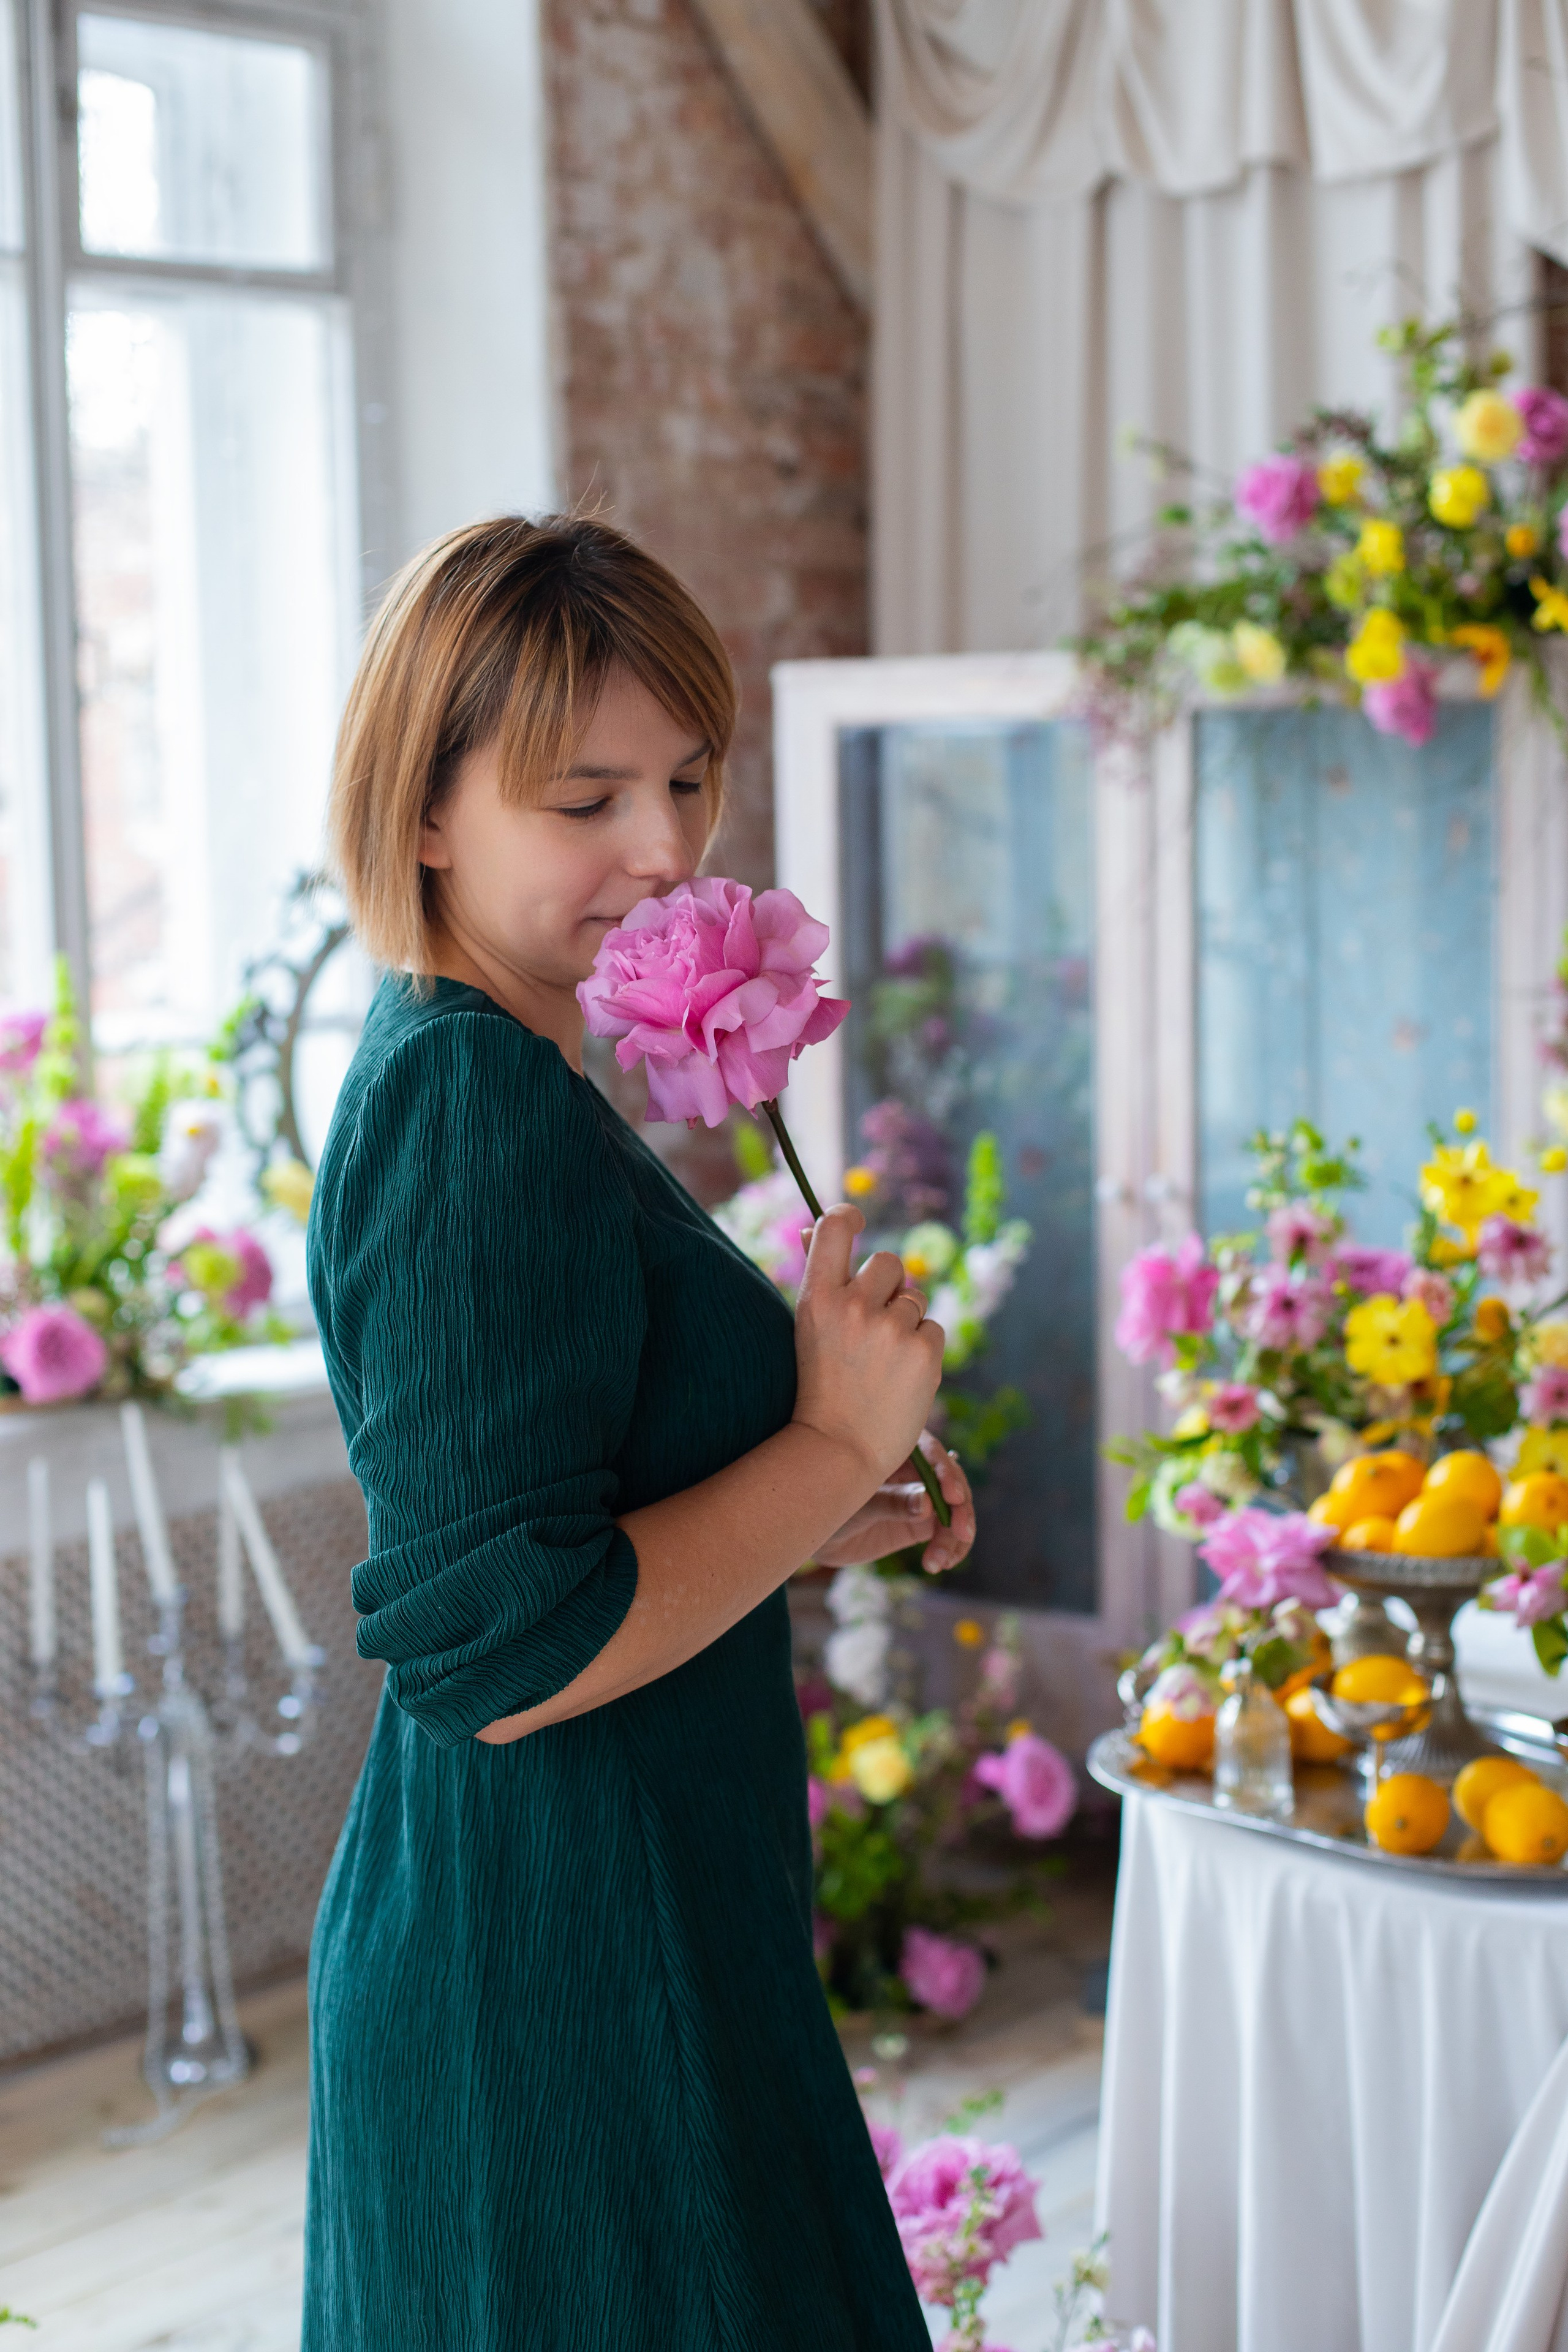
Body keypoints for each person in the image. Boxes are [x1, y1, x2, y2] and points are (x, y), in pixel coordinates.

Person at [303, 511, 976, 2347]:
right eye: (585, 798)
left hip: (635, 1911)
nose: (669, 851)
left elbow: (588, 1524)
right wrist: (829, 1444)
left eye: (686, 779)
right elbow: (505, 1655)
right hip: (558, 1965)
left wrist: (844, 1501)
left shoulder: (517, 1070)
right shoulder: (470, 1108)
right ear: (427, 810)